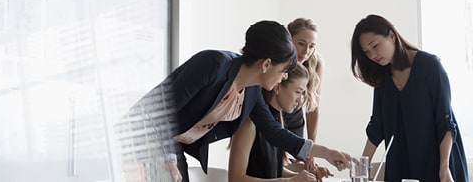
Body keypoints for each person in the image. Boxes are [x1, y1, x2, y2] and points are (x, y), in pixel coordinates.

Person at [120, 20, 350, 182]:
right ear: (266, 64)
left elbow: (272, 131)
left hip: (171, 146)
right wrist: (167, 157)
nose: (285, 77)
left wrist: (325, 152)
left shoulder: (251, 92)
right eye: (283, 70)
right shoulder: (213, 64)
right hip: (140, 140)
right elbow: (157, 112)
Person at [350, 14, 469, 182]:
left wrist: (444, 167)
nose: (372, 55)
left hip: (438, 164)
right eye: (367, 52)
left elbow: (446, 123)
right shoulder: (383, 78)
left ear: (391, 35)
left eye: (375, 46)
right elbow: (377, 126)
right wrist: (362, 169)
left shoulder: (430, 67)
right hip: (401, 165)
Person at [229, 62, 348, 182]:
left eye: (302, 93)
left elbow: (272, 170)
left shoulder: (278, 120)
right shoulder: (250, 123)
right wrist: (291, 181)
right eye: (297, 92)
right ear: (278, 87)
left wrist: (305, 175)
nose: (300, 100)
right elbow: (236, 179)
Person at [283, 18, 330, 178]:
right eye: (301, 44)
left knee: (301, 170)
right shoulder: (278, 62)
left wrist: (311, 151)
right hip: (274, 122)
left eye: (311, 46)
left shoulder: (316, 64)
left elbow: (313, 109)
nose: (306, 51)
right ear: (289, 39)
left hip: (296, 124)